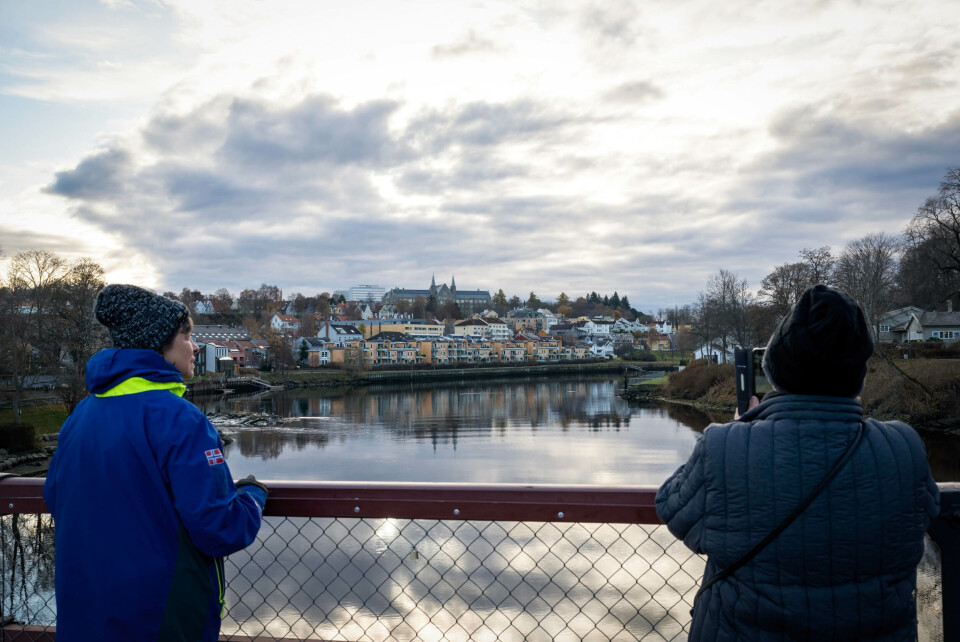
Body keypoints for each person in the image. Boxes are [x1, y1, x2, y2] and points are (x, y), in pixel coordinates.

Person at [656, 284, 939, 641]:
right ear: (857, 377)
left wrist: (742, 427)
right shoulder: (903, 447)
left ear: (776, 371)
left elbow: (671, 506)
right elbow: (925, 516)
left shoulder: (723, 445)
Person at [43, 284, 269, 642]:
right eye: (187, 335)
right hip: (160, 620)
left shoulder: (81, 415)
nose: (195, 346)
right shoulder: (180, 419)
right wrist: (253, 496)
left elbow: (57, 499)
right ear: (159, 343)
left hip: (87, 614)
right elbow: (219, 527)